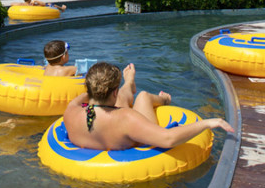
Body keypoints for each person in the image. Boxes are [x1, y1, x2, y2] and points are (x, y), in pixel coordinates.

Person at [63, 62, 234, 151]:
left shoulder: (71, 111)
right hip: (131, 144)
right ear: (113, 91)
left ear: (89, 88)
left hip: (103, 121)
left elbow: (90, 98)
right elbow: (168, 139)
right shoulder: (126, 119)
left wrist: (95, 89)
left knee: (120, 99)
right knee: (143, 96)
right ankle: (162, 98)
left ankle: (129, 83)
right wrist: (207, 123)